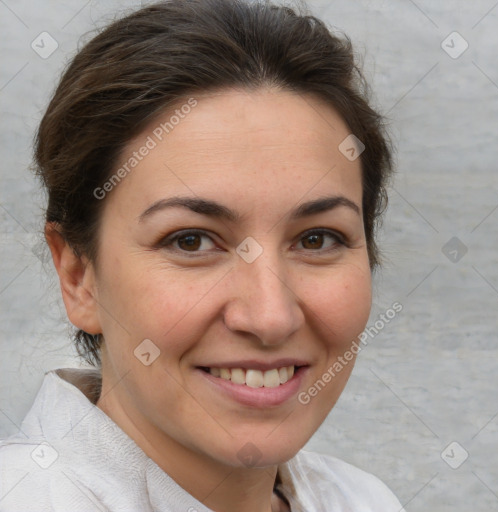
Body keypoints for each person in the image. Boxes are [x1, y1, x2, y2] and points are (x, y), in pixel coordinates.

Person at [0, 0, 404, 510]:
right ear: (79, 275)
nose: (270, 317)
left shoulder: (365, 500)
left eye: (317, 239)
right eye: (190, 241)